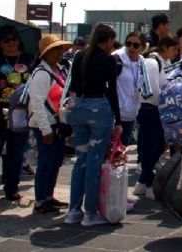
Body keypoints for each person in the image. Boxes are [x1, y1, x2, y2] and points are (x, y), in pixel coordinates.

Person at [63, 23, 123, 227]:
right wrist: (119, 119)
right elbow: (112, 91)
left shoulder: (79, 56)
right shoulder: (108, 60)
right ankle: (90, 212)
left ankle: (73, 210)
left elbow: (72, 86)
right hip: (99, 109)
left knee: (81, 160)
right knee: (95, 161)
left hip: (77, 107)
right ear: (108, 40)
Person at [0, 25, 36, 203]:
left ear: (19, 40)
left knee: (16, 154)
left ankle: (12, 189)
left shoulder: (30, 59)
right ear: (0, 43)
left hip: (20, 114)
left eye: (13, 39)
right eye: (5, 40)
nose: (10, 43)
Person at [27, 34, 73, 215]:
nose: (58, 53)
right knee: (45, 163)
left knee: (55, 163)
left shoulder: (59, 71)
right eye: (54, 50)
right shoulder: (41, 74)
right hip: (44, 125)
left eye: (59, 49)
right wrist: (45, 129)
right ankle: (40, 199)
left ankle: (49, 195)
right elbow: (37, 103)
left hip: (57, 123)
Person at [134, 35, 178, 200]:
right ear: (165, 47)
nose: (175, 53)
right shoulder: (152, 62)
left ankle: (143, 182)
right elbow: (152, 91)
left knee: (158, 147)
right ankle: (149, 183)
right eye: (173, 49)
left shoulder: (165, 63)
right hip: (150, 110)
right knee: (150, 148)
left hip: (159, 111)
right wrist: (169, 103)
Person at [112, 32, 148, 146]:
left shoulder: (141, 61)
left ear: (142, 47)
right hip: (115, 116)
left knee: (121, 152)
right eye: (128, 44)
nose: (131, 47)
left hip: (131, 114)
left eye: (136, 45)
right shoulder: (116, 59)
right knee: (111, 153)